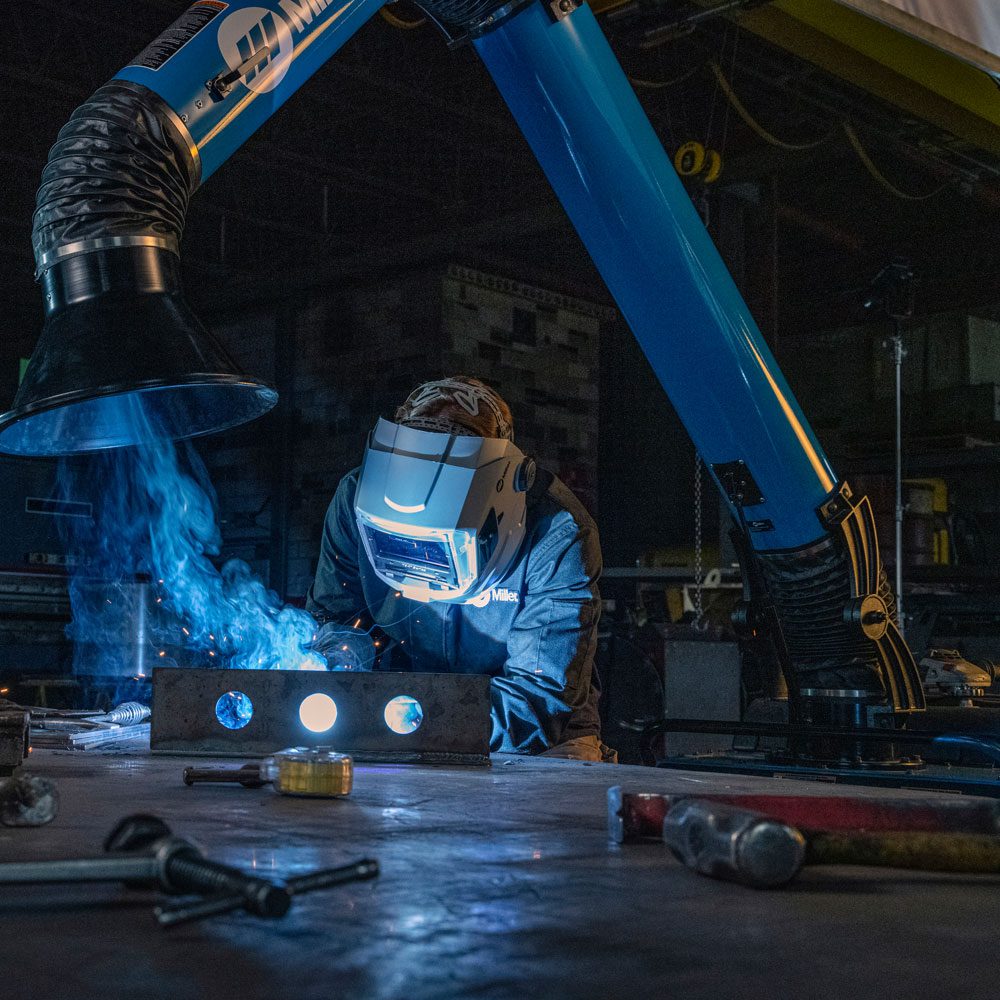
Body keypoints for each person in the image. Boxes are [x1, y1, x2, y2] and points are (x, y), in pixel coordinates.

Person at [306, 376, 615, 762]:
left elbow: (539, 699)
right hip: (397, 715)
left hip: (540, 738)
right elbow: (331, 617)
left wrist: (415, 720)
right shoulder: (356, 497)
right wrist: (343, 661)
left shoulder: (558, 530)